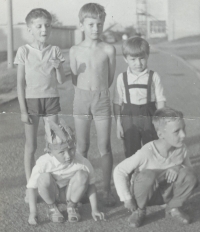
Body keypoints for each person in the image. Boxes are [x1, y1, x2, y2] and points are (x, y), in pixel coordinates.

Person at [113, 107, 198, 228]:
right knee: (147, 175)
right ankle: (140, 210)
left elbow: (189, 171)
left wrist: (178, 167)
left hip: (167, 193)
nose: (183, 135)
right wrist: (126, 198)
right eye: (177, 131)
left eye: (184, 129)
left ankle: (173, 207)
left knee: (190, 175)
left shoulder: (181, 148)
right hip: (145, 194)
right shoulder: (147, 152)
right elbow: (119, 170)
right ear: (160, 134)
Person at [69, 3, 116, 206]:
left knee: (104, 145)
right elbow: (73, 78)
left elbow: (110, 77)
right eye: (90, 24)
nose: (95, 28)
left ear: (103, 24)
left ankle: (106, 189)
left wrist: (98, 92)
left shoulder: (108, 49)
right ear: (81, 26)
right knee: (82, 146)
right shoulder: (74, 50)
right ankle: (81, 189)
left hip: (102, 99)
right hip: (81, 99)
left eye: (99, 24)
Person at [14, 8, 66, 184]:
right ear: (30, 29)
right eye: (39, 26)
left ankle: (54, 181)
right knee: (31, 145)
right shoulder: (24, 51)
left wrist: (58, 66)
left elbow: (61, 80)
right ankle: (31, 185)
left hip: (51, 100)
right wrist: (23, 110)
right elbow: (20, 83)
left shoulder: (55, 50)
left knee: (55, 143)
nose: (44, 30)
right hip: (31, 102)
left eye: (47, 26)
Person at [27, 119, 105, 225]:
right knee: (43, 178)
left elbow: (91, 185)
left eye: (71, 149)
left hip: (71, 193)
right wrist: (33, 212)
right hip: (53, 193)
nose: (68, 156)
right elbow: (31, 187)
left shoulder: (82, 162)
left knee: (83, 175)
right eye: (61, 152)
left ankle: (72, 206)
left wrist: (95, 209)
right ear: (50, 152)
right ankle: (52, 207)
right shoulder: (43, 162)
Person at [113, 36, 166, 158]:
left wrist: (160, 122)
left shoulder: (153, 76)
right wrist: (118, 124)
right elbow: (117, 103)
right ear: (126, 59)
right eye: (133, 59)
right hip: (129, 117)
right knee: (131, 151)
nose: (138, 63)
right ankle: (133, 176)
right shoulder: (122, 77)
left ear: (147, 56)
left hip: (150, 116)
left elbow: (161, 100)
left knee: (152, 149)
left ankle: (152, 175)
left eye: (142, 58)